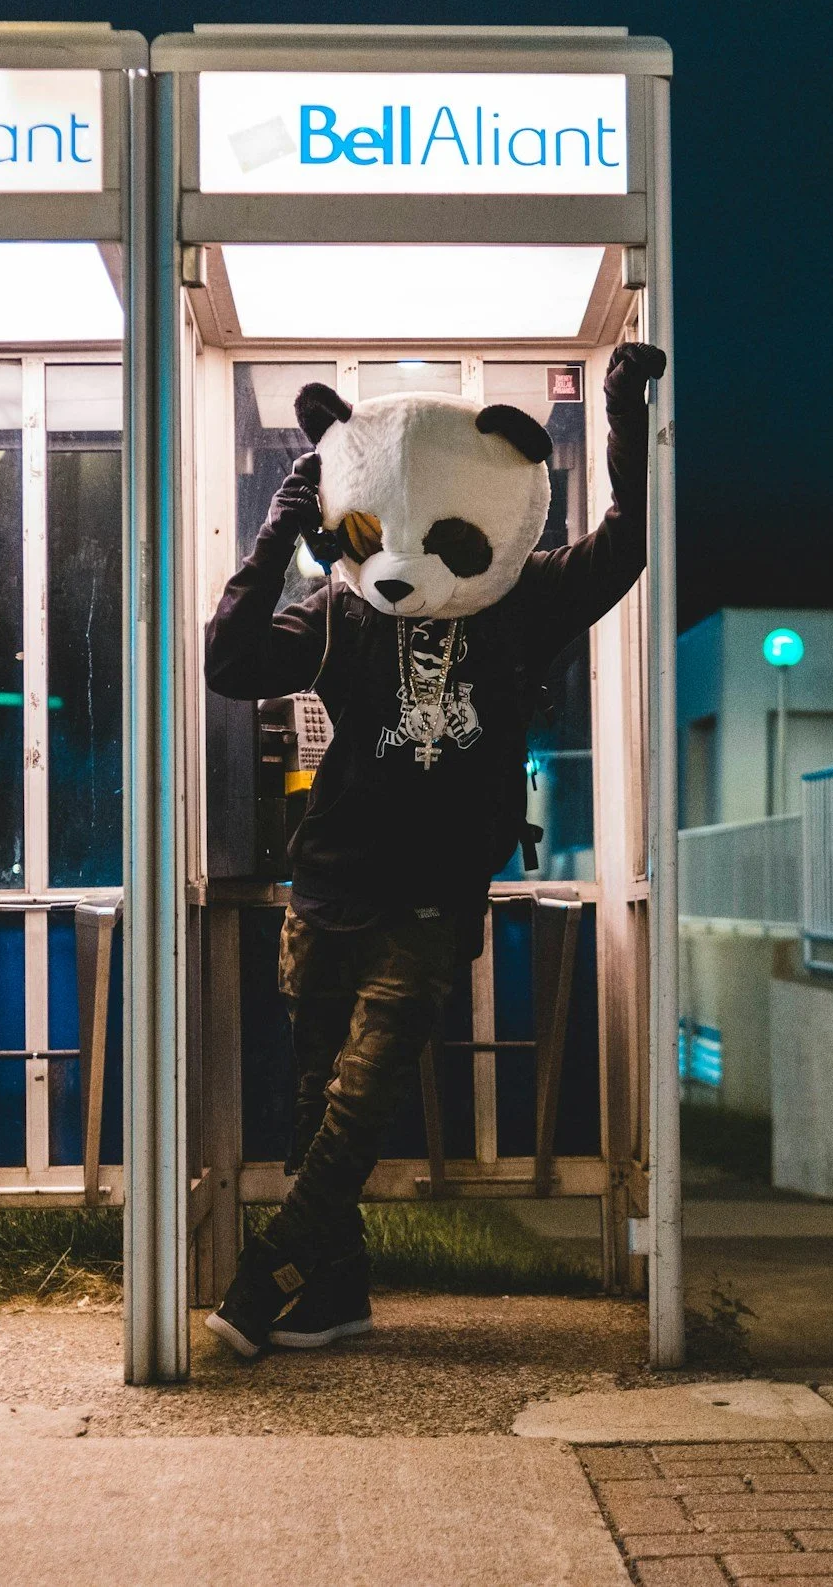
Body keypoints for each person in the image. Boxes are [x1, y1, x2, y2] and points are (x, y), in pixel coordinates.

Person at [202, 340, 666, 1355]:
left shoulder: (523, 597)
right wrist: (284, 523)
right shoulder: (336, 609)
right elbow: (229, 659)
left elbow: (631, 540)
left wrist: (624, 414)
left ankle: (267, 1277)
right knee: (316, 1097)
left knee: (358, 1103)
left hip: (427, 901)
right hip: (324, 889)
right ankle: (332, 1295)